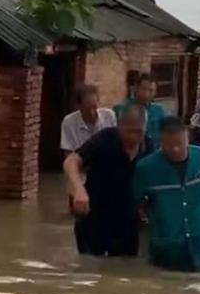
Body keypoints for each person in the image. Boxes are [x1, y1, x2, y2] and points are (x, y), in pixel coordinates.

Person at [134, 116, 200, 272]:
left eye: (179, 144)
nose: (174, 149)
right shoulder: (145, 168)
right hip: (166, 246)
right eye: (168, 145)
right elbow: (137, 202)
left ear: (188, 138)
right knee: (166, 289)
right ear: (160, 142)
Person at [63, 104, 148, 257]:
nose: (133, 137)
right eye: (128, 131)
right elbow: (71, 161)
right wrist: (79, 189)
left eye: (139, 131)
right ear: (119, 126)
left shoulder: (149, 147)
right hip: (94, 219)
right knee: (90, 270)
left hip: (127, 224)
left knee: (123, 272)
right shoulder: (104, 140)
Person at [114, 74, 166, 151]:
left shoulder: (160, 111)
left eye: (151, 90)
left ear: (155, 92)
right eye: (144, 89)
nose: (146, 94)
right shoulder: (121, 109)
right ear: (136, 88)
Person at [60, 85, 116, 155]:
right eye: (87, 109)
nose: (92, 112)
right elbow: (68, 153)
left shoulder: (109, 116)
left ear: (98, 102)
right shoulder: (69, 122)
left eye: (94, 107)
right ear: (78, 106)